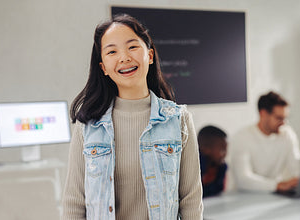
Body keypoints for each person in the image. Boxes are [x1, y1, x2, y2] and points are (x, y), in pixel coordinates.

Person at [62, 14, 203, 220]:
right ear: (103, 68)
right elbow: (74, 203)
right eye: (112, 51)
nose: (124, 57)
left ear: (150, 55)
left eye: (132, 47)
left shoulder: (178, 119)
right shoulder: (88, 125)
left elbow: (191, 200)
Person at [229, 91, 300, 193]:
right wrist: (278, 185)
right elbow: (243, 180)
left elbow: (297, 170)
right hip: (244, 197)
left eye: (285, 118)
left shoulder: (287, 135)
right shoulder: (242, 137)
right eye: (279, 118)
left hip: (274, 196)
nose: (284, 123)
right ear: (263, 114)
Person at [198, 125, 228, 198]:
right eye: (222, 150)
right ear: (206, 149)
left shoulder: (221, 167)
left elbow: (218, 190)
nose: (225, 154)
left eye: (226, 149)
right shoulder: (195, 166)